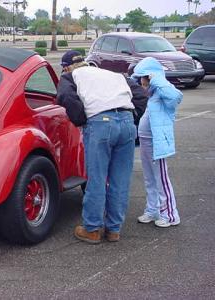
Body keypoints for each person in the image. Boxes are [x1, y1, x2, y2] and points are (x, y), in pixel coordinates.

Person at [57, 51, 137, 244]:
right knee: (120, 180)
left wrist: (82, 120)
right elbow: (141, 94)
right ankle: (113, 230)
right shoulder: (112, 74)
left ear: (66, 67)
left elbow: (66, 96)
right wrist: (131, 118)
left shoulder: (70, 76)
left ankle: (92, 228)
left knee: (97, 178)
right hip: (127, 121)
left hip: (100, 123)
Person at [132, 57, 183, 228]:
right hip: (146, 143)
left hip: (157, 143)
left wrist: (158, 79)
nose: (141, 81)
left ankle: (170, 214)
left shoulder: (164, 91)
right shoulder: (152, 94)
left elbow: (176, 97)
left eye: (143, 77)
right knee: (149, 178)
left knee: (161, 178)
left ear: (151, 76)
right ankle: (153, 210)